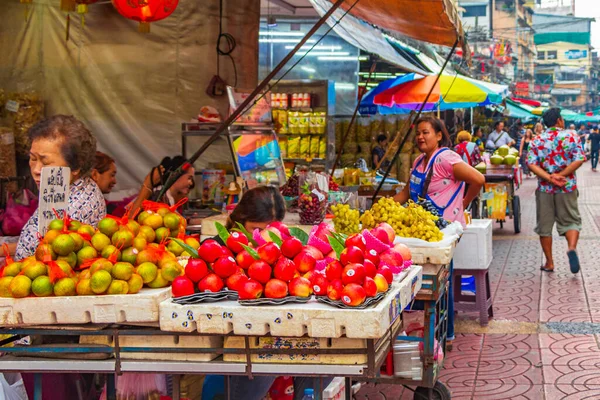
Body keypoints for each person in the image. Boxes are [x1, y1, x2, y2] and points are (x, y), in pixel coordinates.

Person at [218, 186, 331, 400]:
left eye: (270, 229)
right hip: (239, 340)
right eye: (255, 229)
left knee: (322, 366)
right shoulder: (219, 246)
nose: (261, 236)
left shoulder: (282, 248)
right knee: (261, 367)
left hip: (278, 334)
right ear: (239, 220)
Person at [394, 117, 485, 343]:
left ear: (439, 135)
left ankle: (447, 334)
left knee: (441, 280)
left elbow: (478, 179)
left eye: (426, 132)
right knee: (422, 281)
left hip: (442, 233)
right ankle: (423, 330)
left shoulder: (446, 158)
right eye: (418, 134)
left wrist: (463, 204)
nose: (421, 137)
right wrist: (383, 207)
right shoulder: (418, 161)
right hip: (421, 231)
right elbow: (406, 193)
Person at [15, 115, 106, 260]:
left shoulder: (72, 211)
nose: (36, 170)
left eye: (45, 162)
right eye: (33, 159)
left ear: (76, 165)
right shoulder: (65, 190)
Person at [527, 108, 585, 274]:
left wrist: (550, 177)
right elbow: (579, 159)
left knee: (544, 226)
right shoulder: (572, 136)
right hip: (567, 186)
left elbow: (531, 163)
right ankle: (572, 247)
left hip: (545, 188)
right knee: (572, 221)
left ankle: (549, 263)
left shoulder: (537, 140)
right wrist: (561, 175)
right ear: (559, 120)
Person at [130, 156, 195, 215]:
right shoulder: (160, 195)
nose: (191, 183)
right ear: (177, 175)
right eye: (189, 178)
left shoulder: (169, 197)